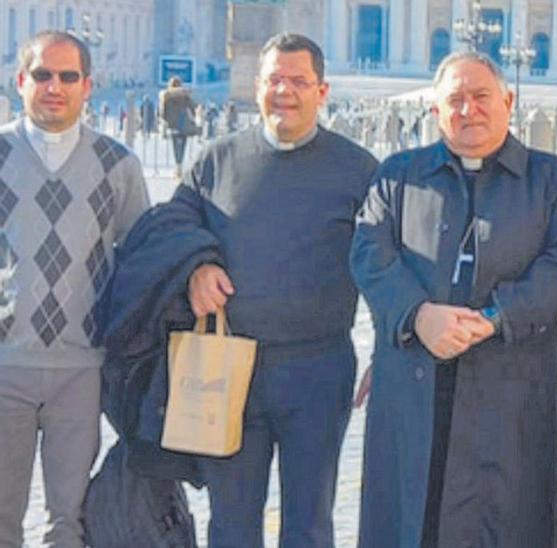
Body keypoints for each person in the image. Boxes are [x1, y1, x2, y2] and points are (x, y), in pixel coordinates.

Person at [352, 51, 557, 548]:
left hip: (509, 388)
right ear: (435, 111)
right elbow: (369, 255)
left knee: (503, 523)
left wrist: (493, 317)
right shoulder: (398, 175)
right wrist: (417, 316)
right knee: (409, 521)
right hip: (415, 384)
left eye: (481, 97)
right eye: (454, 100)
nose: (468, 110)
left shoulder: (554, 181)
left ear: (508, 100)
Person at [162, 33, 379, 547]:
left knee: (309, 521)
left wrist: (389, 348)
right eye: (274, 79)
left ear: (322, 91)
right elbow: (172, 228)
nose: (285, 91)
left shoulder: (360, 169)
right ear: (257, 87)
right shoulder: (214, 161)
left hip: (319, 369)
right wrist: (197, 266)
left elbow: (385, 261)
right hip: (228, 367)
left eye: (298, 81)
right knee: (232, 523)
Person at [0, 30, 150, 547]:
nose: (54, 87)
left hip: (81, 370)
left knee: (69, 522)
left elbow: (141, 259)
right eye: (42, 75)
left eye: (68, 76)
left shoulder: (119, 164)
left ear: (88, 85)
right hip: (5, 367)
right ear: (21, 81)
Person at [159, 76, 197, 176]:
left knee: (175, 146)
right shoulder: (185, 95)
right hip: (184, 125)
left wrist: (166, 120)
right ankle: (180, 165)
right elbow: (193, 107)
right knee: (183, 146)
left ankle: (177, 166)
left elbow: (163, 113)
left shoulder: (166, 96)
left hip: (173, 125)